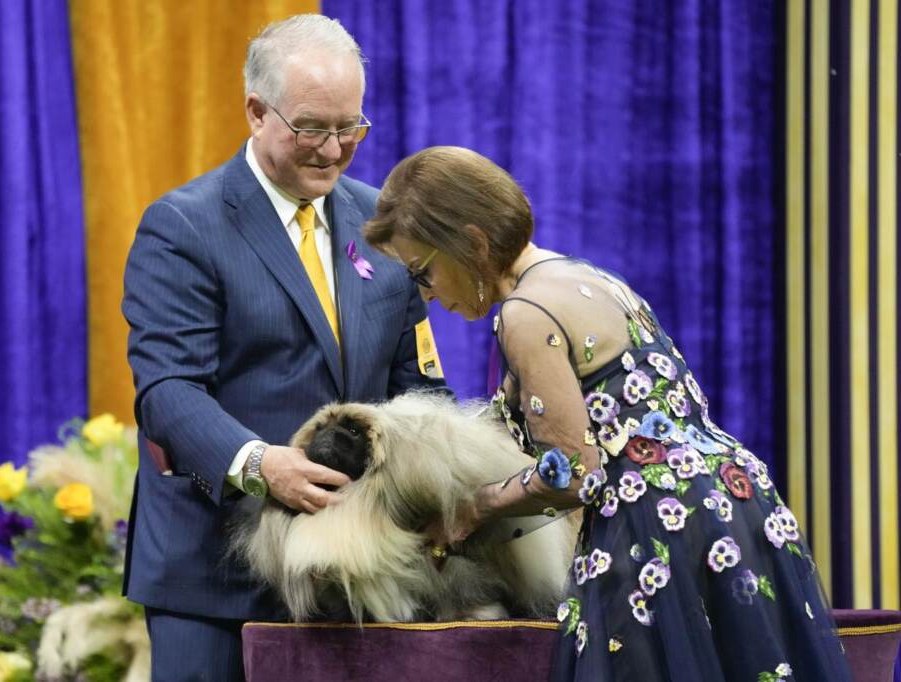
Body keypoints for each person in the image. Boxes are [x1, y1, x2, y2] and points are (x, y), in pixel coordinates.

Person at [363, 146, 851, 682]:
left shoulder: (525, 314)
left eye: (422, 272)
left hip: (658, 525)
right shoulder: (585, 277)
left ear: (472, 242)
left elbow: (573, 473)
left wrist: (472, 510)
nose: (427, 296)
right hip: (736, 502)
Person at [121, 15, 448, 681]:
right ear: (255, 111)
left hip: (355, 577)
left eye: (350, 128)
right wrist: (261, 465)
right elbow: (168, 392)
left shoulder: (380, 224)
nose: (332, 150)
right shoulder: (184, 226)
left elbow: (419, 385)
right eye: (311, 128)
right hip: (214, 576)